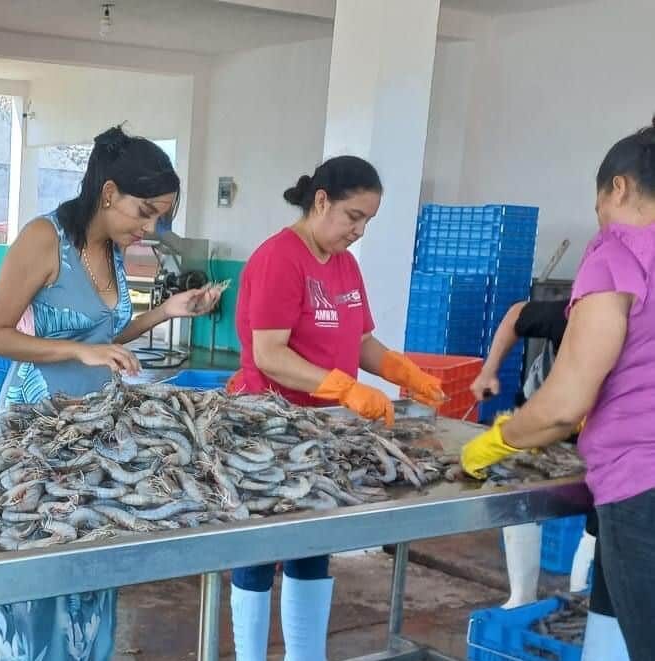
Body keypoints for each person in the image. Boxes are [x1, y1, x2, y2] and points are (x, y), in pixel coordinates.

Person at [0, 125, 220, 661]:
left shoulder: (112, 249)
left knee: (90, 563)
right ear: (109, 192)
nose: (151, 226)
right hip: (35, 426)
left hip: (93, 431)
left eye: (160, 216)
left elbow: (103, 339)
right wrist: (79, 353)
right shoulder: (44, 239)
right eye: (145, 211)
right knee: (37, 565)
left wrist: (166, 312)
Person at [228, 156, 445, 661]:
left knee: (313, 545)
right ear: (321, 201)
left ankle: (305, 655)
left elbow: (361, 339)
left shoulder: (345, 264)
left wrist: (400, 370)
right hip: (267, 429)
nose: (359, 230)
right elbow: (269, 354)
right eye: (353, 216)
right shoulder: (280, 258)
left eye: (368, 220)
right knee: (258, 551)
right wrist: (345, 389)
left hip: (322, 433)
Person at [461, 115, 655, 660]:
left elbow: (563, 406)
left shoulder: (618, 252)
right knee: (611, 618)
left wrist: (500, 438)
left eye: (599, 203)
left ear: (617, 187)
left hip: (641, 486)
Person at [474, 301, 627, 658]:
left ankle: (581, 602)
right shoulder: (575, 314)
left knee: (599, 522)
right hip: (546, 417)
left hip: (608, 431)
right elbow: (515, 315)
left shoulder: (636, 334)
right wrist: (489, 371)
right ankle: (522, 596)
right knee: (521, 492)